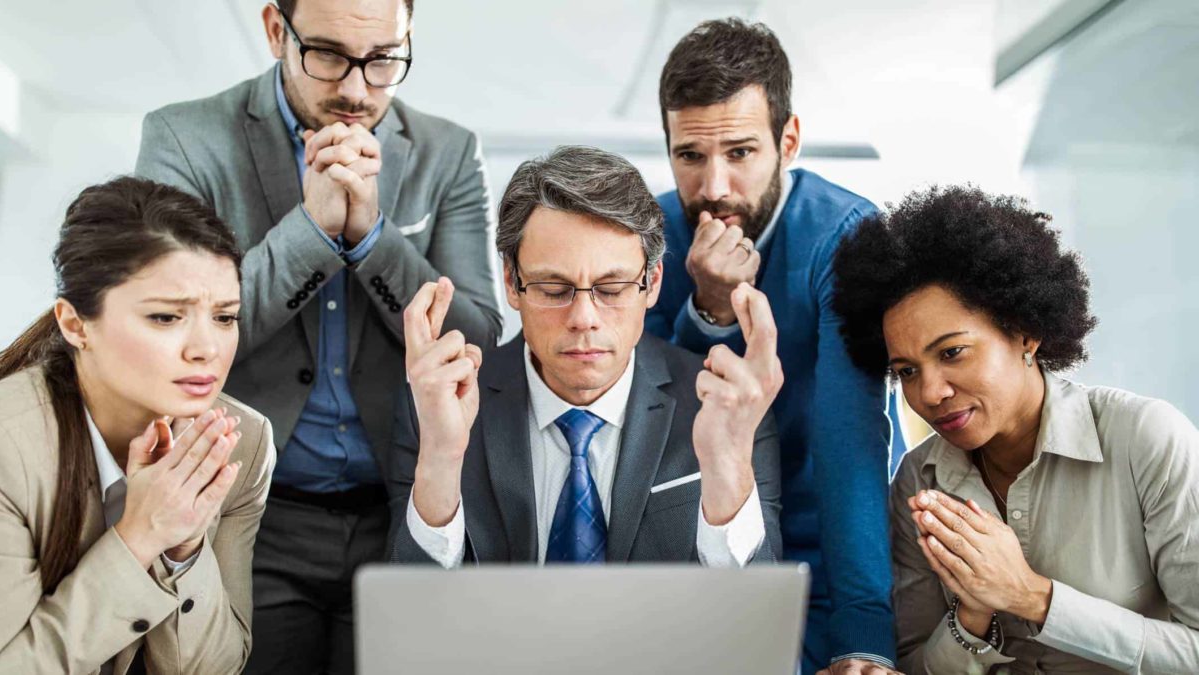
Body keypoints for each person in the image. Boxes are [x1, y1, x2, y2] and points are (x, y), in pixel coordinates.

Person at [134, 0, 502, 670]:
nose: (358, 89)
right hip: (247, 514)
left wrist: (373, 240)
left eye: (384, 59)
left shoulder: (450, 155)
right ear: (277, 29)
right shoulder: (184, 139)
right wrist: (310, 230)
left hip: (400, 509)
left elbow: (478, 341)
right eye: (328, 54)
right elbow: (176, 340)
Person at [831, 185, 1199, 674]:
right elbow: (917, 666)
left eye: (951, 353)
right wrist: (974, 612)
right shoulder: (920, 481)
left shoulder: (1145, 439)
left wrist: (1031, 597)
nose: (930, 393)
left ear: (1025, 332)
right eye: (907, 371)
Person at [387, 145, 784, 569]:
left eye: (611, 290)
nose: (583, 318)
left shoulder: (725, 407)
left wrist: (727, 473)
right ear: (511, 282)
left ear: (651, 283)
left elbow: (752, 615)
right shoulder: (437, 407)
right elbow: (413, 614)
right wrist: (441, 462)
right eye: (553, 290)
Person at [645, 18, 901, 675]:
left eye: (740, 152)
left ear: (788, 140)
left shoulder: (846, 235)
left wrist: (866, 635)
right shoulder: (647, 234)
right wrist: (705, 310)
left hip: (825, 550)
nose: (714, 187)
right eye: (690, 156)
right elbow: (647, 421)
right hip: (686, 550)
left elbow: (852, 443)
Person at [0, 177, 275, 674]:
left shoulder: (242, 442)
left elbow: (217, 668)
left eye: (225, 317)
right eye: (167, 318)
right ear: (75, 324)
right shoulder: (8, 443)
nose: (206, 349)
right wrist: (142, 534)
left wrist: (183, 549)